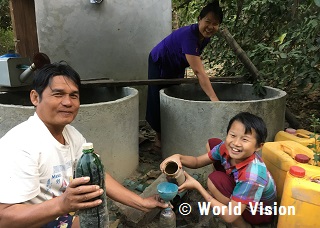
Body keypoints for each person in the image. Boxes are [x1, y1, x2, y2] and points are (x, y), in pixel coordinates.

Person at [0, 62, 168, 228]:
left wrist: (141, 203)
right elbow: (4, 218)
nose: (68, 102)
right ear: (35, 98)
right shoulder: (19, 145)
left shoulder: (72, 135)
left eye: (74, 95)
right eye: (58, 94)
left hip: (60, 220)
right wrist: (62, 204)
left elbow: (99, 175)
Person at [160, 112, 277, 228]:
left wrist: (198, 187)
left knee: (214, 180)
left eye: (245, 139)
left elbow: (230, 216)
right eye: (232, 135)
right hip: (243, 189)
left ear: (259, 146)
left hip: (258, 212)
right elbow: (197, 161)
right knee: (213, 143)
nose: (236, 143)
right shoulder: (226, 148)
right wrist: (178, 157)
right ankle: (221, 194)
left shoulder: (252, 175)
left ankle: (242, 225)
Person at [146, 0, 223, 148]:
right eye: (208, 21)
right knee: (158, 96)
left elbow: (195, 59)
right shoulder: (189, 35)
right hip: (160, 61)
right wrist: (214, 99)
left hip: (177, 62)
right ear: (199, 19)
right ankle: (159, 137)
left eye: (215, 24)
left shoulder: (205, 38)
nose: (211, 27)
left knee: (174, 91)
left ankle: (170, 133)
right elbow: (199, 71)